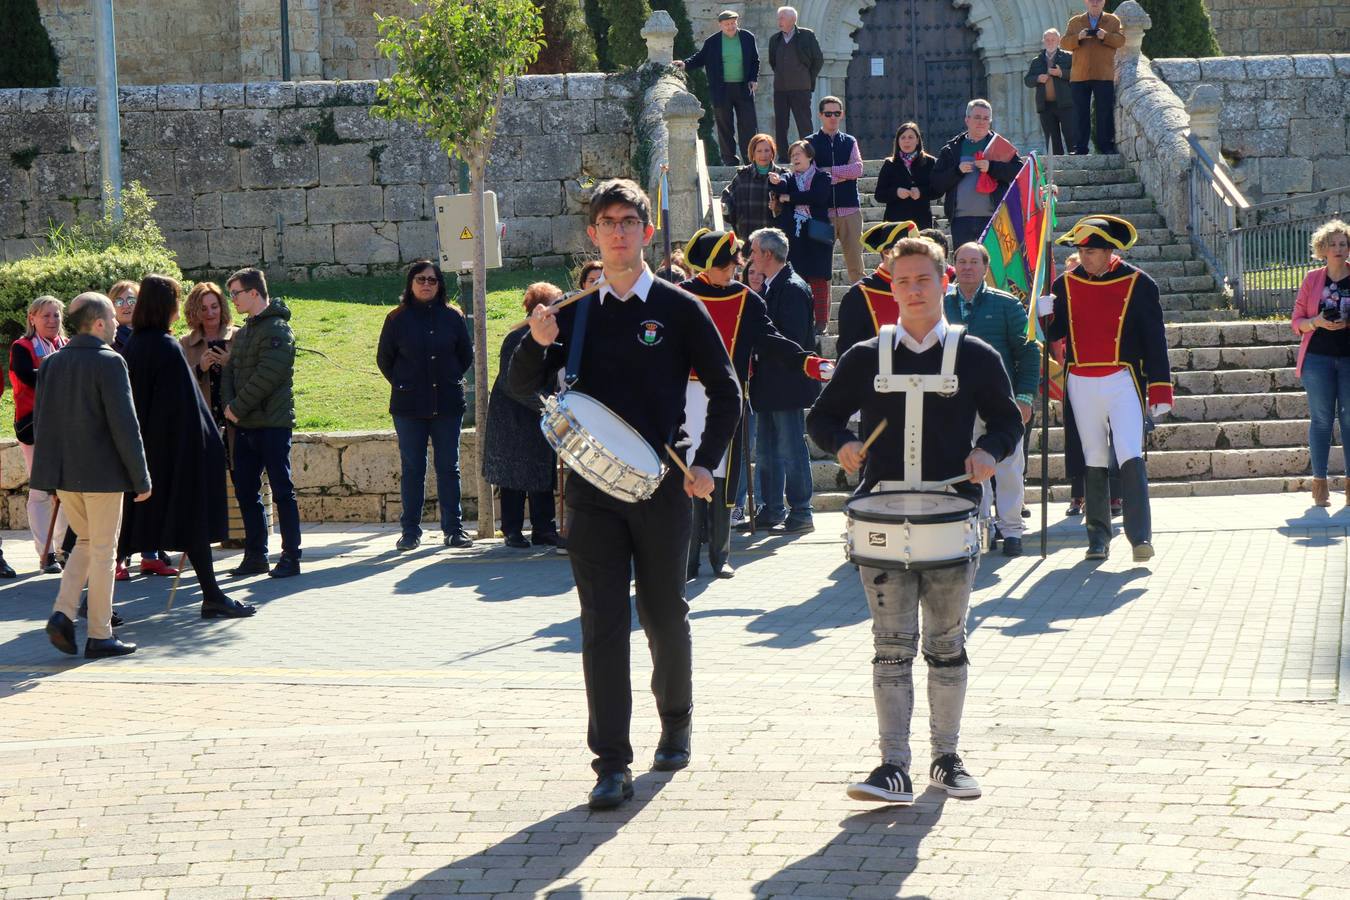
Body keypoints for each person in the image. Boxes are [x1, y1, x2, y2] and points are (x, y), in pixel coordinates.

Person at [507, 179, 741, 810]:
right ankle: (611, 762)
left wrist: (707, 463)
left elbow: (727, 391)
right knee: (602, 626)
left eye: (628, 221)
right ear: (593, 234)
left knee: (664, 614)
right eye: (606, 222)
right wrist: (536, 340)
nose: (617, 232)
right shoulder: (572, 313)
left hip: (663, 488)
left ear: (646, 229)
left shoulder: (679, 306)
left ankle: (677, 720)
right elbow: (518, 383)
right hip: (590, 493)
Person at [807, 236, 1022, 805]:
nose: (912, 291)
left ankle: (946, 758)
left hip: (951, 517)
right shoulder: (864, 356)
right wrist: (845, 444)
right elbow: (822, 418)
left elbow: (1007, 423)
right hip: (882, 512)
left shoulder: (976, 355)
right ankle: (892, 766)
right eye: (901, 281)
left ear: (944, 280)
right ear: (890, 285)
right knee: (890, 645)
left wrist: (988, 453)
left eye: (922, 280)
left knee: (947, 643)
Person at [680, 228, 831, 576]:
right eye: (728, 265)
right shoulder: (683, 297)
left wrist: (807, 362)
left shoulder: (748, 300)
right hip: (686, 400)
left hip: (727, 398)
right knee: (689, 478)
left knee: (726, 479)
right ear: (710, 265)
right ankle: (686, 559)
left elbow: (772, 341)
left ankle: (720, 555)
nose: (735, 270)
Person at [118, 274, 256, 620]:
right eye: (176, 300)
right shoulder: (165, 347)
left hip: (147, 455)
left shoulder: (136, 344)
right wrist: (206, 449)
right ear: (167, 305)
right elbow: (186, 409)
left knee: (127, 530)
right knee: (181, 522)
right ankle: (87, 604)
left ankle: (212, 594)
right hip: (175, 456)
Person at [1039, 215, 1171, 562]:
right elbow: (1054, 335)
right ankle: (1098, 537)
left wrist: (1159, 388)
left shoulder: (1139, 283)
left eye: (1092, 251)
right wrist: (1043, 316)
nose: (1085, 257)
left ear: (1110, 251)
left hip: (1123, 379)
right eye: (1081, 250)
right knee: (1093, 456)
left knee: (1129, 451)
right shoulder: (1064, 285)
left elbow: (1155, 340)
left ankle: (1140, 536)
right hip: (1081, 380)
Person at [34, 293, 152, 659]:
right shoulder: (110, 362)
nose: (118, 323)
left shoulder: (53, 363)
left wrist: (48, 478)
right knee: (104, 550)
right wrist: (142, 478)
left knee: (86, 542)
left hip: (67, 474)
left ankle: (63, 612)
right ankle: (99, 634)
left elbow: (43, 423)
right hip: (103, 476)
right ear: (99, 323)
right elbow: (125, 426)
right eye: (113, 318)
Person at [944, 243, 1040, 556]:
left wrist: (1025, 396)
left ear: (986, 267)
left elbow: (1028, 352)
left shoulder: (1007, 304)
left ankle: (1011, 529)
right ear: (954, 265)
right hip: (956, 403)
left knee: (1009, 467)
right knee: (971, 467)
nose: (968, 267)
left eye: (974, 262)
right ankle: (982, 527)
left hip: (1001, 401)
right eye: (962, 261)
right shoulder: (940, 305)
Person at [376, 260, 475, 551]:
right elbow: (385, 359)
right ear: (410, 283)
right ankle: (410, 532)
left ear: (439, 284)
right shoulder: (396, 318)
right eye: (421, 279)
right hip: (409, 405)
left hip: (447, 402)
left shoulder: (453, 317)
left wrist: (449, 376)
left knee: (449, 467)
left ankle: (454, 530)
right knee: (413, 468)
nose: (426, 284)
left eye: (432, 280)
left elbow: (464, 356)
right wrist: (405, 382)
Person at [222, 267, 303, 578]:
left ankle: (291, 556)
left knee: (282, 490)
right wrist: (231, 407)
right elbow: (230, 372)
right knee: (245, 490)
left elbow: (268, 377)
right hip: (244, 425)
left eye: (236, 294)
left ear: (254, 293)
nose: (233, 300)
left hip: (272, 424)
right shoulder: (244, 332)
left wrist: (237, 408)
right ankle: (256, 555)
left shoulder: (279, 330)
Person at [747, 226, 827, 533]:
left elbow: (791, 340)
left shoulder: (792, 287)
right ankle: (772, 508)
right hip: (769, 383)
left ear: (767, 254)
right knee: (766, 448)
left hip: (787, 382)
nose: (750, 257)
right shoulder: (773, 284)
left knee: (791, 447)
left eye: (754, 251)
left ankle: (801, 510)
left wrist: (757, 343)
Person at [483, 282, 564, 549]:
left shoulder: (554, 335)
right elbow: (510, 383)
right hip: (514, 418)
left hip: (539, 418)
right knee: (514, 476)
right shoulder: (516, 338)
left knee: (541, 473)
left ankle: (544, 529)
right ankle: (512, 530)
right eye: (556, 303)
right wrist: (547, 405)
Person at [181, 281, 252, 549]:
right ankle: (213, 533)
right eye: (203, 308)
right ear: (194, 311)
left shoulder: (240, 336)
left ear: (222, 308)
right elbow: (177, 383)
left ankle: (244, 534)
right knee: (208, 480)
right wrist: (199, 367)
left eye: (214, 306)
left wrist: (229, 364)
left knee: (241, 476)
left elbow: (252, 375)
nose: (210, 313)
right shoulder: (186, 343)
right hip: (204, 422)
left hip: (235, 419)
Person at [1290, 219, 1350, 507]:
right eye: (1333, 244)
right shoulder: (1312, 279)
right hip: (1317, 360)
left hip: (1348, 359)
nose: (1339, 248)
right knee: (1322, 420)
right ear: (1322, 249)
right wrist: (1317, 322)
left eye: (1344, 243)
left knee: (1349, 420)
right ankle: (1320, 484)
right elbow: (1296, 322)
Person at [10, 295, 69, 574]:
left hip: (65, 426)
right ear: (32, 318)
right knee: (41, 491)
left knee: (68, 492)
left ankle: (63, 547)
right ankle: (45, 553)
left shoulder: (66, 345)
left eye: (56, 315)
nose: (51, 321)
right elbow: (27, 376)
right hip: (33, 426)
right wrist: (58, 369)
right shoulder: (21, 347)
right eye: (45, 315)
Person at [931, 99, 1023, 252]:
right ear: (967, 119)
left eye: (986, 118)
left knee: (993, 268)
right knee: (965, 264)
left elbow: (1019, 171)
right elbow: (936, 183)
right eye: (977, 117)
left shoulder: (1000, 145)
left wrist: (992, 167)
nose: (982, 122)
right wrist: (957, 171)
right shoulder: (951, 149)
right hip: (960, 220)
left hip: (994, 220)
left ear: (990, 121)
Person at [674, 10, 759, 166]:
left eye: (733, 23)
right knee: (725, 126)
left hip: (743, 87)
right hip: (721, 89)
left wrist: (753, 78)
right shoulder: (712, 42)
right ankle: (730, 160)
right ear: (720, 25)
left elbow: (755, 61)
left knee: (748, 125)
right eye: (727, 24)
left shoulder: (747, 37)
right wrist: (685, 64)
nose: (730, 26)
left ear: (737, 22)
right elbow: (700, 58)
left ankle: (750, 159)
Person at [769, 139, 834, 333]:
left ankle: (821, 322)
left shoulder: (823, 177)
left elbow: (818, 197)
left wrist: (791, 198)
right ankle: (804, 321)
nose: (795, 158)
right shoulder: (788, 177)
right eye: (792, 155)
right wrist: (777, 182)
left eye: (798, 154)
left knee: (819, 277)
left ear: (809, 156)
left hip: (819, 231)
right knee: (799, 278)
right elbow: (780, 188)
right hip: (795, 233)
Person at [836, 221, 921, 353]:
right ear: (887, 253)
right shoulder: (859, 295)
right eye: (910, 252)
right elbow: (848, 355)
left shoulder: (925, 288)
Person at [807, 96, 865, 286]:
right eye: (828, 113)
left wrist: (830, 171)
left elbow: (857, 169)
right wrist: (843, 174)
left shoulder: (850, 141)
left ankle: (862, 311)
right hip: (821, 215)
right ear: (820, 115)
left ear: (842, 115)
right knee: (822, 271)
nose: (832, 117)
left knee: (857, 268)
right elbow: (812, 176)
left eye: (836, 113)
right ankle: (822, 316)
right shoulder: (809, 143)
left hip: (850, 212)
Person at [1062, 0, 1124, 155]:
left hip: (1103, 74)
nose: (1094, 3)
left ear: (1103, 2)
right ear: (1086, 2)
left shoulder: (1113, 20)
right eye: (1091, 0)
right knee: (1080, 113)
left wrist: (1106, 36)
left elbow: (1121, 40)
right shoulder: (1075, 22)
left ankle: (1106, 147)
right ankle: (1080, 148)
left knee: (1104, 112)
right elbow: (1064, 43)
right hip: (1079, 76)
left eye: (1098, 0)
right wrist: (1078, 37)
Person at [766, 6, 823, 161]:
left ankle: (809, 155)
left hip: (801, 88)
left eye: (782, 18)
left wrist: (807, 79)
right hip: (780, 90)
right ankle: (783, 158)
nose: (779, 21)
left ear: (792, 19)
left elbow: (818, 60)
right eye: (779, 18)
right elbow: (773, 62)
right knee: (781, 125)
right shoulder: (774, 39)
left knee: (804, 124)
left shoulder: (806, 36)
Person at [721, 134, 789, 238]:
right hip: (747, 238)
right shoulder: (742, 176)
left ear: (772, 153)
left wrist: (778, 206)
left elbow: (793, 203)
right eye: (759, 151)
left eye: (767, 150)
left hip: (775, 240)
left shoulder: (783, 175)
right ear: (752, 153)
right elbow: (728, 198)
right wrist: (725, 208)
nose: (763, 155)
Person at [874, 122, 936, 230]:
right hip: (895, 224)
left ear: (917, 140)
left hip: (921, 223)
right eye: (902, 137)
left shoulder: (929, 162)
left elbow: (937, 190)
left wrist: (921, 192)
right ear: (898, 141)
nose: (906, 141)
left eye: (911, 137)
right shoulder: (890, 164)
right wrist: (896, 192)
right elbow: (879, 195)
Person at [1025, 29, 1077, 156]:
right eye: (1047, 40)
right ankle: (1056, 166)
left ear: (1059, 40)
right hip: (1046, 105)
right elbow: (1027, 80)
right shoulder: (1036, 61)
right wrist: (1037, 78)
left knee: (1071, 134)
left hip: (1066, 103)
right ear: (1043, 42)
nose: (1050, 42)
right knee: (1052, 138)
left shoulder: (1068, 57)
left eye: (1053, 39)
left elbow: (1078, 75)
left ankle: (1076, 161)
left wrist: (1061, 73)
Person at [109, 279, 138, 351]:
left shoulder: (152, 334)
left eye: (131, 300)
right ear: (112, 306)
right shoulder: (108, 340)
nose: (125, 306)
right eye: (119, 302)